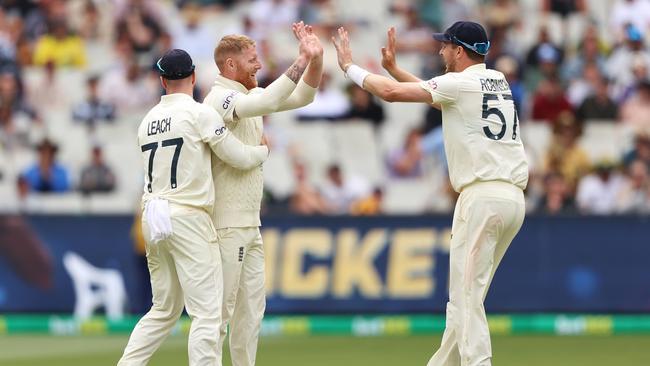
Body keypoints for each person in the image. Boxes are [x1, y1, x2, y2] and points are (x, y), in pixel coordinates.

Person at [332, 21, 528, 366]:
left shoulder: (459, 84)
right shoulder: (496, 80)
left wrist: (350, 68)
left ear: (459, 50)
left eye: (445, 46)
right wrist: (394, 68)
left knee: (466, 297)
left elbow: (391, 94)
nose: (440, 51)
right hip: (512, 199)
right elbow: (437, 97)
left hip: (482, 198)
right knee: (464, 298)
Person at [117, 49, 269, 366]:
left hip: (153, 215)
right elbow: (238, 157)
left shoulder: (146, 122)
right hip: (188, 215)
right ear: (194, 77)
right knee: (208, 313)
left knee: (163, 309)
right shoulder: (199, 113)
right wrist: (261, 153)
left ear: (161, 80)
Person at [202, 22, 323, 366]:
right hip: (226, 226)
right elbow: (272, 97)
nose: (259, 65)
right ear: (230, 66)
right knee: (221, 314)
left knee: (251, 314)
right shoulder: (219, 97)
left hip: (248, 225)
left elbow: (304, 96)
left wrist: (315, 57)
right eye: (252, 60)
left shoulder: (248, 96)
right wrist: (299, 59)